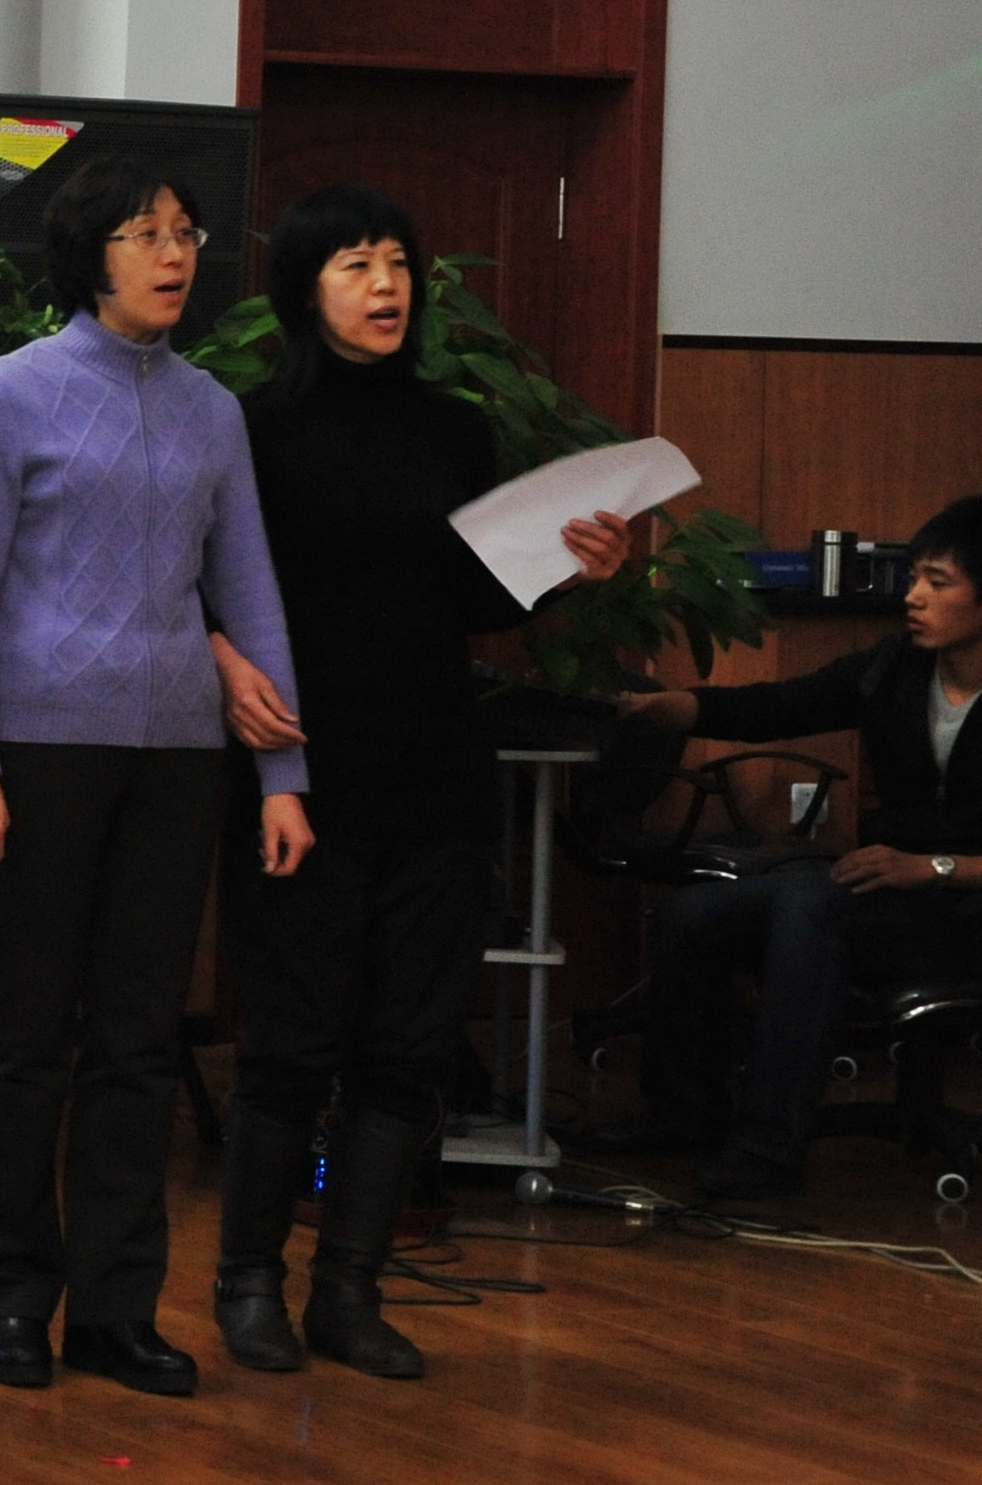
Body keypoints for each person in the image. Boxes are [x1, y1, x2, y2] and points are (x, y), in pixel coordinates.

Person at [206, 186, 633, 1378]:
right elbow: (206, 585)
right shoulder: (248, 428)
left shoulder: (453, 429)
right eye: (354, 263)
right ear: (303, 288)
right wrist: (226, 673)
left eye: (395, 262)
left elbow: (472, 600)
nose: (384, 284)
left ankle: (347, 1290)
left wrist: (568, 568)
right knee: (290, 1045)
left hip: (434, 766)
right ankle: (247, 1282)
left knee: (406, 1046)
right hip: (299, 768)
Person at [0, 152, 310, 1397]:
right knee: (22, 1037)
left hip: (177, 756)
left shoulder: (211, 409)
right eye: (145, 232)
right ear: (88, 251)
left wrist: (280, 774)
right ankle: (9, 1298)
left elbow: (247, 587)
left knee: (139, 1041)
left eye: (186, 232)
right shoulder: (8, 393)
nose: (173, 254)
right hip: (38, 747)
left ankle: (115, 1309)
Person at [615, 496, 982, 1198]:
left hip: (965, 907)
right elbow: (783, 704)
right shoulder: (896, 667)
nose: (913, 596)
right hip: (894, 895)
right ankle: (683, 1115)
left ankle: (768, 1148)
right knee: (695, 913)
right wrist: (676, 706)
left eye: (937, 582)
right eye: (913, 578)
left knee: (811, 907)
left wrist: (934, 867)